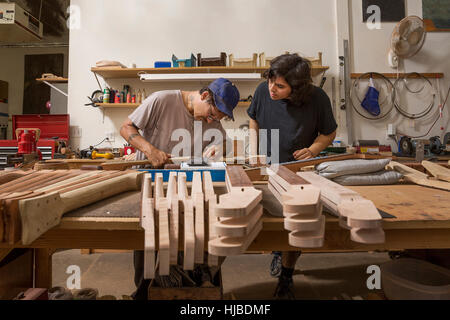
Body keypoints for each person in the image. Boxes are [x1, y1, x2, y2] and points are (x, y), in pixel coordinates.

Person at [120, 78, 240, 300]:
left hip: (181, 186)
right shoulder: (162, 100)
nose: (212, 121)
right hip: (149, 181)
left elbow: (224, 142)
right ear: (204, 96)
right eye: (212, 115)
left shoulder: (212, 120)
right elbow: (126, 127)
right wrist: (150, 150)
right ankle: (143, 289)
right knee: (146, 242)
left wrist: (218, 149)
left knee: (185, 236)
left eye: (217, 119)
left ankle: (180, 283)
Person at [247, 53, 337, 299]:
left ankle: (286, 275)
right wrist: (254, 151)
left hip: (298, 171)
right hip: (265, 167)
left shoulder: (317, 98)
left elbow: (329, 132)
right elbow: (253, 120)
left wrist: (313, 150)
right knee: (268, 219)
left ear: (296, 89)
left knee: (296, 224)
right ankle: (277, 252)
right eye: (270, 82)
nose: (271, 89)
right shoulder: (263, 91)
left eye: (279, 86)